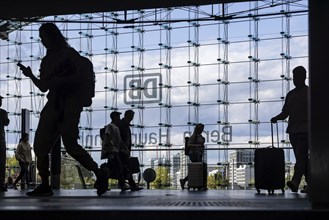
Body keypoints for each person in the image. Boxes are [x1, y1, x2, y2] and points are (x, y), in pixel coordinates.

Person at [18, 22, 108, 196]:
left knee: (58, 145)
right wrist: (31, 76)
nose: (43, 41)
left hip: (65, 104)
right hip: (62, 105)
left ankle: (47, 184)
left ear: (52, 37)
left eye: (44, 37)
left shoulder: (62, 57)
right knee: (51, 145)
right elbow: (45, 86)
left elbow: (46, 86)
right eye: (41, 37)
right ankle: (95, 172)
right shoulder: (64, 56)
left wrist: (56, 81)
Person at [271, 66, 309, 193]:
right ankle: (312, 185)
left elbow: (285, 113)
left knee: (301, 158)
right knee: (303, 159)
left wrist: (277, 118)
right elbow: (285, 113)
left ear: (303, 77)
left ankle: (295, 182)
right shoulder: (295, 94)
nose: (295, 79)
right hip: (295, 131)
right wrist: (276, 118)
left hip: (303, 131)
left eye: (297, 76)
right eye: (294, 76)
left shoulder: (301, 93)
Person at [102, 111, 130, 191]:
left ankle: (103, 184)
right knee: (119, 167)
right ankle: (122, 185)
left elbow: (119, 140)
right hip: (112, 151)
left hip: (115, 150)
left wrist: (124, 148)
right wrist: (109, 147)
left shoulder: (115, 127)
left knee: (113, 168)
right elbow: (107, 136)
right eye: (118, 117)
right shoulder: (110, 126)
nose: (119, 118)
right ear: (114, 117)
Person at [118, 110, 143, 191]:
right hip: (122, 150)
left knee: (123, 167)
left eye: (132, 116)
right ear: (127, 115)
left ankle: (123, 184)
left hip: (124, 150)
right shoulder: (122, 125)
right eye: (131, 116)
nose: (132, 118)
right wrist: (124, 148)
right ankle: (131, 184)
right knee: (127, 167)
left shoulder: (124, 125)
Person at [180, 123, 206, 190]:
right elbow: (189, 145)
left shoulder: (200, 137)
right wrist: (197, 146)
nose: (202, 130)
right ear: (197, 129)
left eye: (202, 129)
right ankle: (198, 184)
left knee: (198, 169)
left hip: (198, 154)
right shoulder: (193, 137)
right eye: (201, 129)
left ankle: (184, 180)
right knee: (198, 169)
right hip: (194, 154)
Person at [0, 95, 10, 192]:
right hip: (1, 141)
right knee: (1, 163)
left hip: (1, 140)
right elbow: (6, 123)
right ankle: (1, 184)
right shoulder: (3, 112)